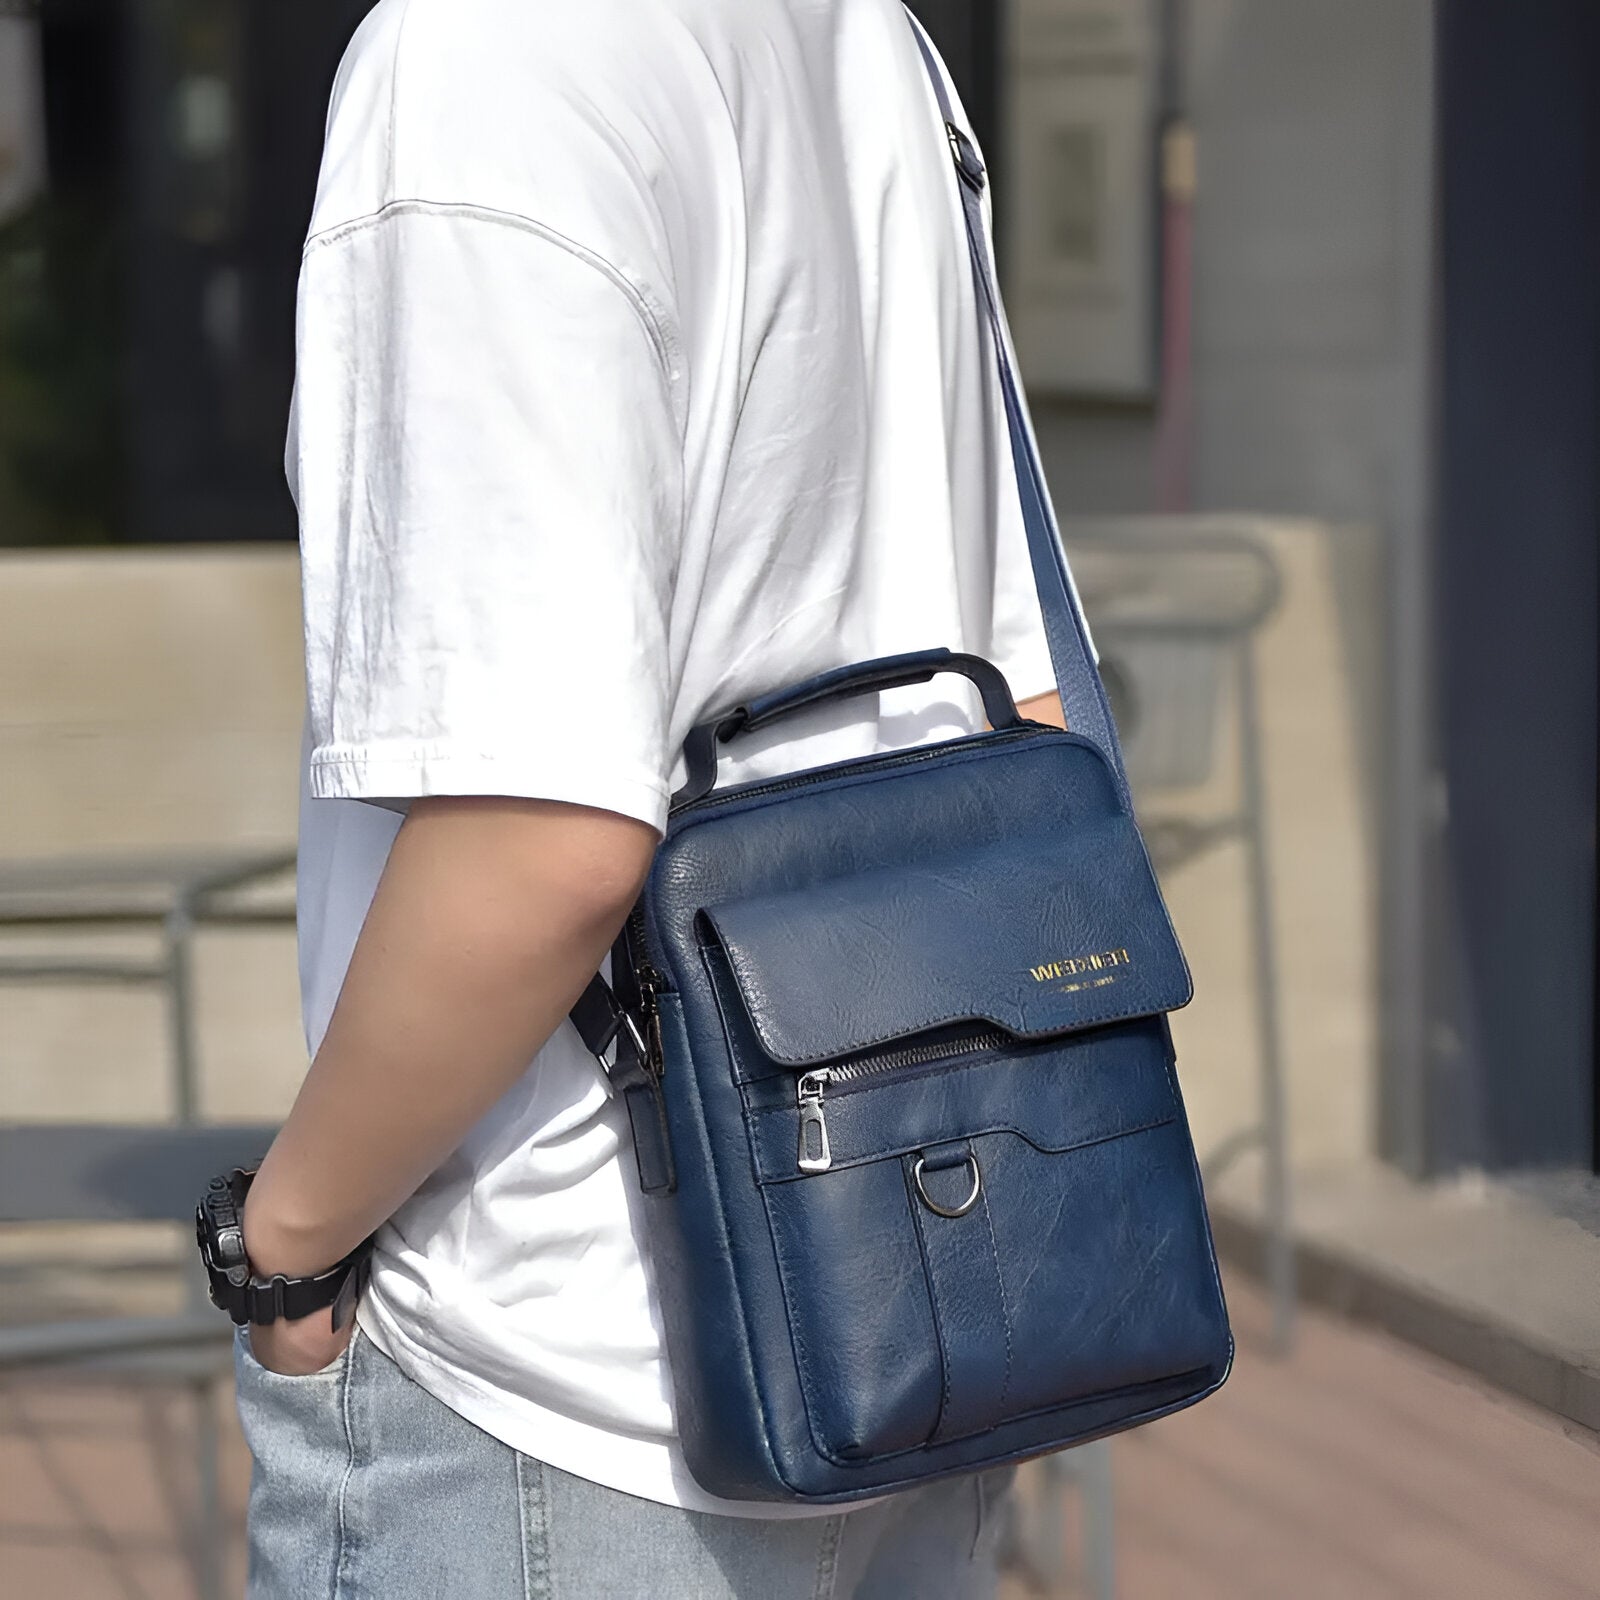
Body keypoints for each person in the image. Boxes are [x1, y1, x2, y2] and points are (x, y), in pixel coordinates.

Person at [230, 0, 1069, 1594]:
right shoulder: (863, 37)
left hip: (572, 1370)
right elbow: (1011, 699)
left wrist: (282, 1245)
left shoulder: (479, 59)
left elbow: (544, 838)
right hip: (922, 1283)